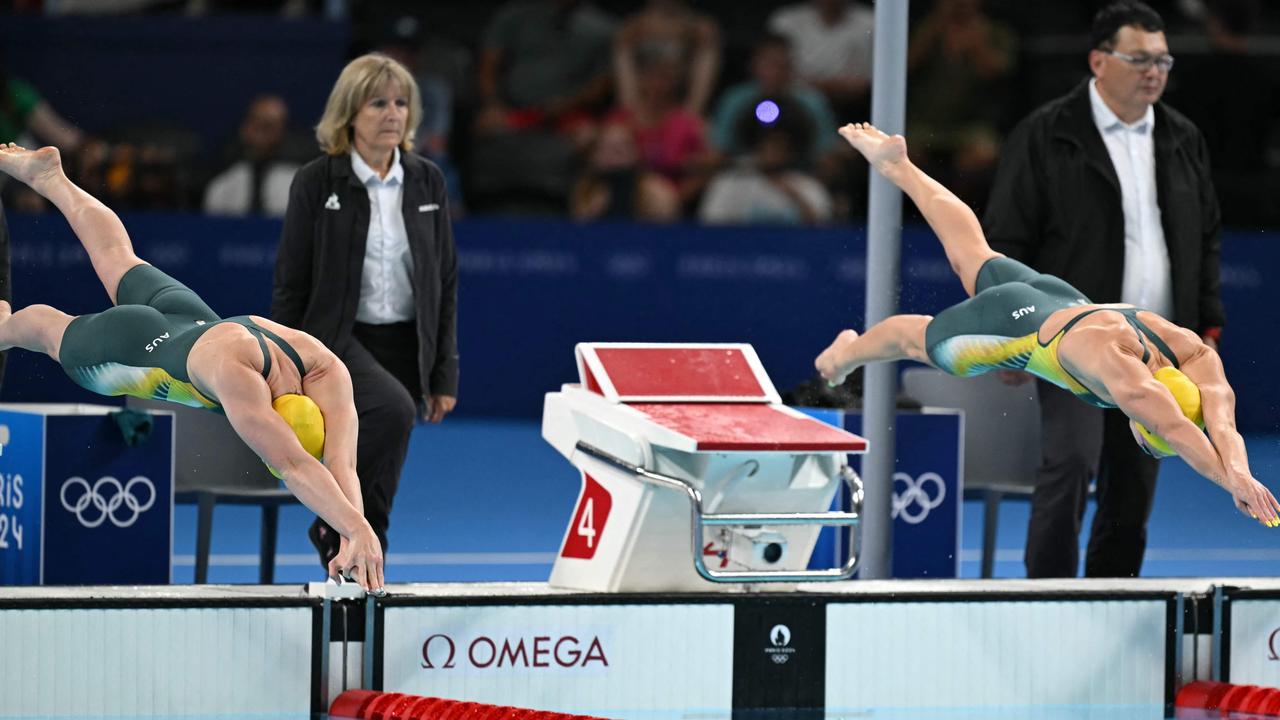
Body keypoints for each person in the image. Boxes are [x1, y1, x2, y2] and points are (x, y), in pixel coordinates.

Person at [815, 123, 1278, 532]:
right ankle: (844, 354)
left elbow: (1220, 421)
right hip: (1016, 326)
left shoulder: (1192, 352)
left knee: (972, 253)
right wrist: (1228, 483)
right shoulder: (1130, 384)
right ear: (1143, 424)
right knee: (918, 342)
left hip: (1060, 297)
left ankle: (900, 168)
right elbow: (1176, 428)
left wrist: (1242, 474)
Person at [0, 141, 385, 591]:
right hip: (136, 347)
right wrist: (358, 529)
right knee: (52, 333)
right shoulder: (239, 382)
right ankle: (4, 324)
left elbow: (342, 466)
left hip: (193, 318)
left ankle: (52, 179)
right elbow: (297, 466)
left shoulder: (324, 365)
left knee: (119, 257)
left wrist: (353, 530)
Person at [982, 1, 1225, 578]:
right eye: (1139, 58)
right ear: (1098, 61)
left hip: (1156, 345)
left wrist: (1205, 328)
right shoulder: (1046, 134)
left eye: (1162, 59)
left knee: (1133, 486)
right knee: (1068, 465)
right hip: (1073, 342)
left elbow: (1206, 237)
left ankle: (1113, 597)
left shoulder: (1182, 137)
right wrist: (1012, 326)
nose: (1155, 71)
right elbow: (1005, 240)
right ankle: (1046, 601)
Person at [273, 54, 459, 570]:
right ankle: (333, 522)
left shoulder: (427, 182)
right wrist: (283, 361)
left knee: (380, 484)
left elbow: (443, 280)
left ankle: (359, 574)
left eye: (401, 103)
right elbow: (291, 280)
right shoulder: (316, 181)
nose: (392, 114)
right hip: (335, 340)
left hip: (403, 342)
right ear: (350, 113)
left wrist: (444, 370)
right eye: (378, 103)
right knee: (395, 412)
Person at [203, 95, 300, 217]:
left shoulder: (303, 186)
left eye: (269, 126)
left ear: (283, 133)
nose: (261, 134)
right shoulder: (221, 187)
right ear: (244, 129)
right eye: (257, 125)